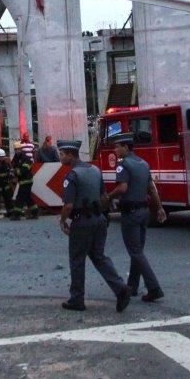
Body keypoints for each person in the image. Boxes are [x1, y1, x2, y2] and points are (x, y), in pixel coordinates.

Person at [57, 141, 131, 313]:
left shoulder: (72, 176)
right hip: (98, 221)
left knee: (77, 260)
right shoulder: (95, 170)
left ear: (70, 155)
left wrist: (62, 221)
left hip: (81, 223)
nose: (59, 157)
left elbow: (68, 206)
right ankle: (121, 288)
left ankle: (77, 299)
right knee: (99, 257)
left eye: (61, 154)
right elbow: (104, 196)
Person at [105, 133, 166, 303]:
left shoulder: (123, 165)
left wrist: (108, 196)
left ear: (126, 147)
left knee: (135, 251)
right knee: (137, 250)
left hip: (130, 213)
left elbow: (122, 188)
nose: (115, 150)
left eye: (117, 146)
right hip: (144, 212)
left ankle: (154, 288)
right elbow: (151, 189)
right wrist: (159, 207)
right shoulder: (143, 163)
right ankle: (132, 286)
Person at [12, 150, 38, 220]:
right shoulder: (16, 158)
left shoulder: (26, 158)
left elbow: (24, 170)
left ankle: (17, 215)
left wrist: (15, 172)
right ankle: (35, 212)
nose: (16, 151)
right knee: (28, 198)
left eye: (18, 149)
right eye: (15, 149)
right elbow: (13, 165)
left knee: (19, 198)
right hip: (23, 181)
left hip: (27, 181)